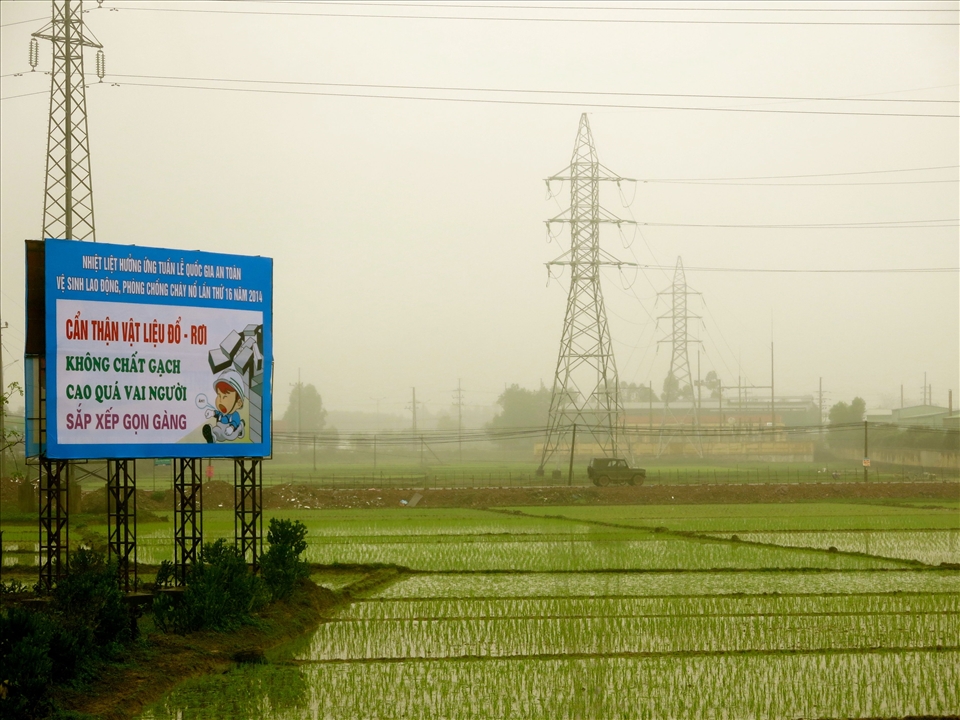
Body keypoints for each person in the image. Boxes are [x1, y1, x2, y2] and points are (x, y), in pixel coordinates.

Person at [202, 369, 246, 443]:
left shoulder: (235, 415)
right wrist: (212, 413)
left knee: (235, 431)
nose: (220, 400)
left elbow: (235, 422)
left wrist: (231, 428)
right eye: (219, 395)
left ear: (238, 403)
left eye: (225, 396)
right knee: (216, 430)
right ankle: (212, 437)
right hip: (220, 428)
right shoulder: (222, 412)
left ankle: (241, 426)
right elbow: (218, 413)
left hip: (231, 431)